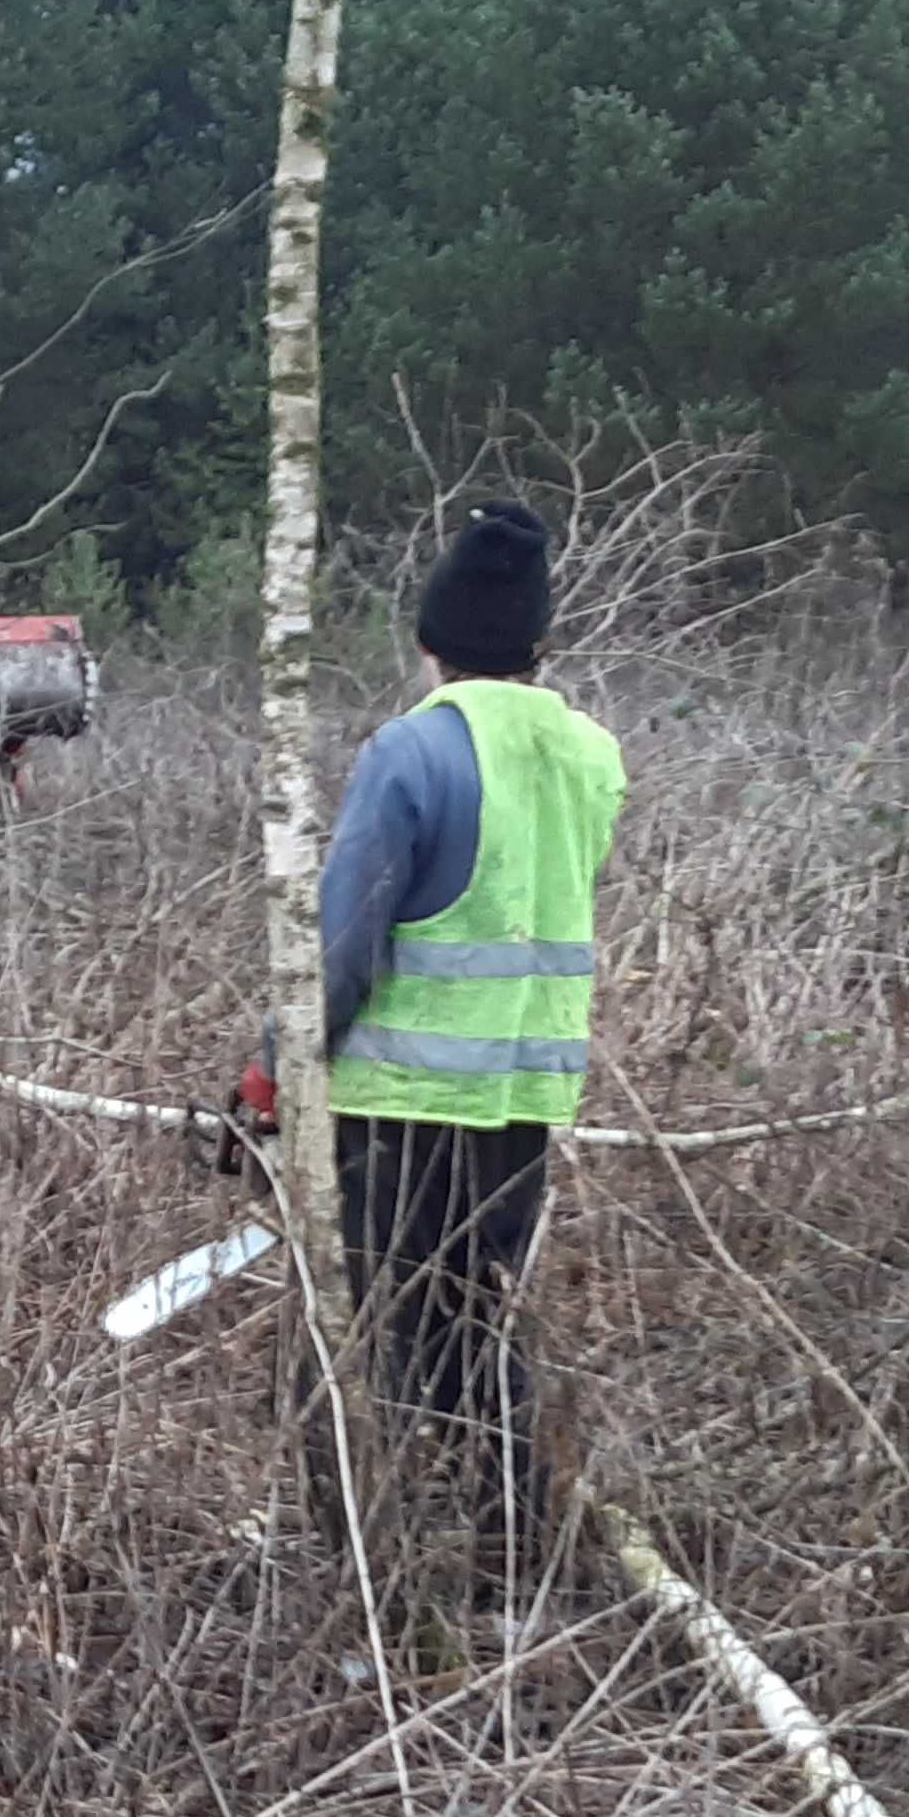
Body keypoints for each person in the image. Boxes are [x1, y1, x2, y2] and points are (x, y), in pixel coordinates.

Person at [312, 501, 628, 1582]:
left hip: (401, 1097)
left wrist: (276, 1067)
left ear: (427, 641)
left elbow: (344, 947)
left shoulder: (409, 749)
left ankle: (377, 1548)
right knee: (476, 1320)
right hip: (529, 1099)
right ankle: (515, 1540)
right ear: (542, 642)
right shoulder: (593, 753)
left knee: (383, 1333)